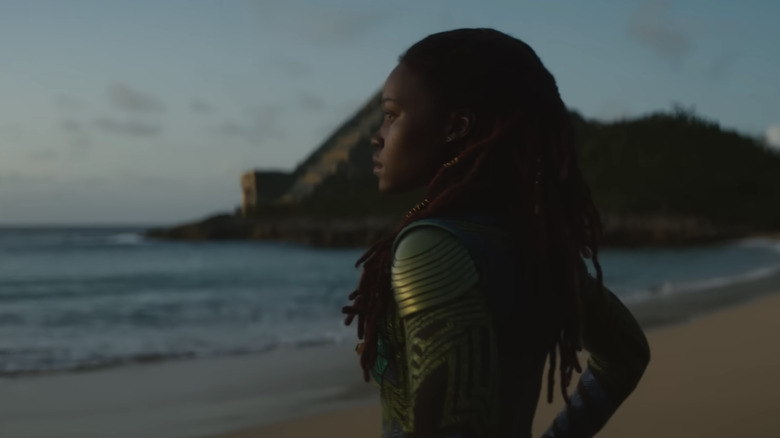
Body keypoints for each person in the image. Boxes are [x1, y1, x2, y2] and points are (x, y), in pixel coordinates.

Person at [342, 28, 650, 438]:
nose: (377, 136)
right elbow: (626, 354)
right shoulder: (536, 242)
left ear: (457, 126)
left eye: (393, 114)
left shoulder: (429, 248)